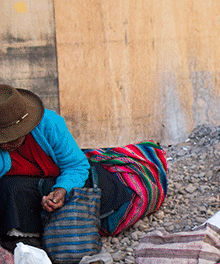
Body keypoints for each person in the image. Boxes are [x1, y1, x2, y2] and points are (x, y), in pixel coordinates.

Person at [0, 84, 137, 251]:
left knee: (94, 181)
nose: (5, 143)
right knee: (8, 189)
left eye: (11, 137)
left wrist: (61, 190)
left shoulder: (50, 124)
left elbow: (76, 165)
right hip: (26, 191)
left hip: (63, 179)